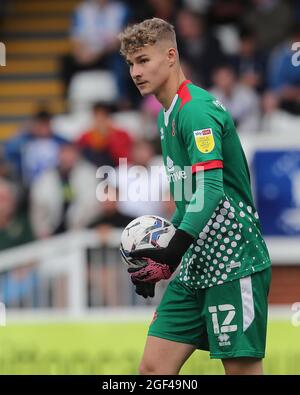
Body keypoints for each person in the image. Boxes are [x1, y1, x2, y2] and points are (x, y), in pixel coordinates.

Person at [118, 18, 271, 375]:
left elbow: (211, 190)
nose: (135, 72)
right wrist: (158, 255)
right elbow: (188, 198)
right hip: (195, 261)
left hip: (234, 261)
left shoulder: (195, 110)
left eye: (143, 60)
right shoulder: (165, 116)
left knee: (241, 372)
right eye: (130, 64)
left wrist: (172, 251)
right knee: (153, 370)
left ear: (171, 56)